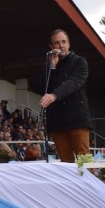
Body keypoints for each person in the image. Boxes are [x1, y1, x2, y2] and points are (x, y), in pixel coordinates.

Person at [38, 29, 91, 162]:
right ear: (51, 47)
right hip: (57, 121)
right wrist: (52, 67)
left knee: (84, 159)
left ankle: (88, 183)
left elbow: (73, 83)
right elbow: (42, 87)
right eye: (57, 43)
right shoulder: (49, 66)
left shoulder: (80, 62)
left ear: (69, 44)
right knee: (65, 162)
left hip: (77, 118)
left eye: (64, 42)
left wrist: (54, 95)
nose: (61, 45)